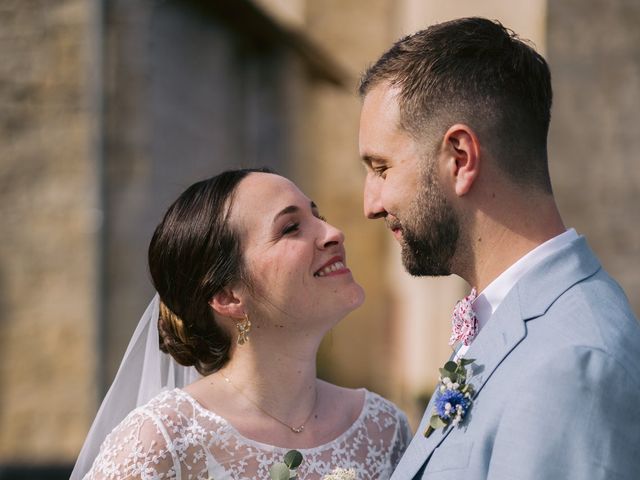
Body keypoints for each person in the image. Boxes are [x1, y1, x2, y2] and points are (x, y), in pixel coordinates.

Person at [358, 17, 640, 480]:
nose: (371, 204)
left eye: (382, 167)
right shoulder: (513, 319)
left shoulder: (570, 363)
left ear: (461, 159)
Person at [72, 168, 412, 480]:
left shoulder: (382, 429)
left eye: (317, 215)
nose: (333, 232)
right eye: (291, 228)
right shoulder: (160, 441)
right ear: (227, 296)